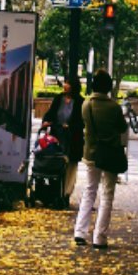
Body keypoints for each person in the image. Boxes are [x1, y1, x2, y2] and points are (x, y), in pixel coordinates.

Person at [74, 68, 128, 250]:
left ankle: (80, 232)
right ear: (108, 87)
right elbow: (122, 127)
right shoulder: (114, 107)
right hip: (110, 153)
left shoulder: (86, 104)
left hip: (91, 154)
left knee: (89, 191)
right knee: (107, 195)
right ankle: (100, 236)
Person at [43, 75, 84, 203]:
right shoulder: (58, 99)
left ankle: (66, 193)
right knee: (56, 163)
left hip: (73, 139)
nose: (65, 85)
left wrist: (70, 126)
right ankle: (55, 192)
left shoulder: (80, 101)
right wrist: (46, 122)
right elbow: (50, 114)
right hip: (57, 136)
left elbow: (82, 122)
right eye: (65, 83)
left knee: (70, 166)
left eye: (68, 83)